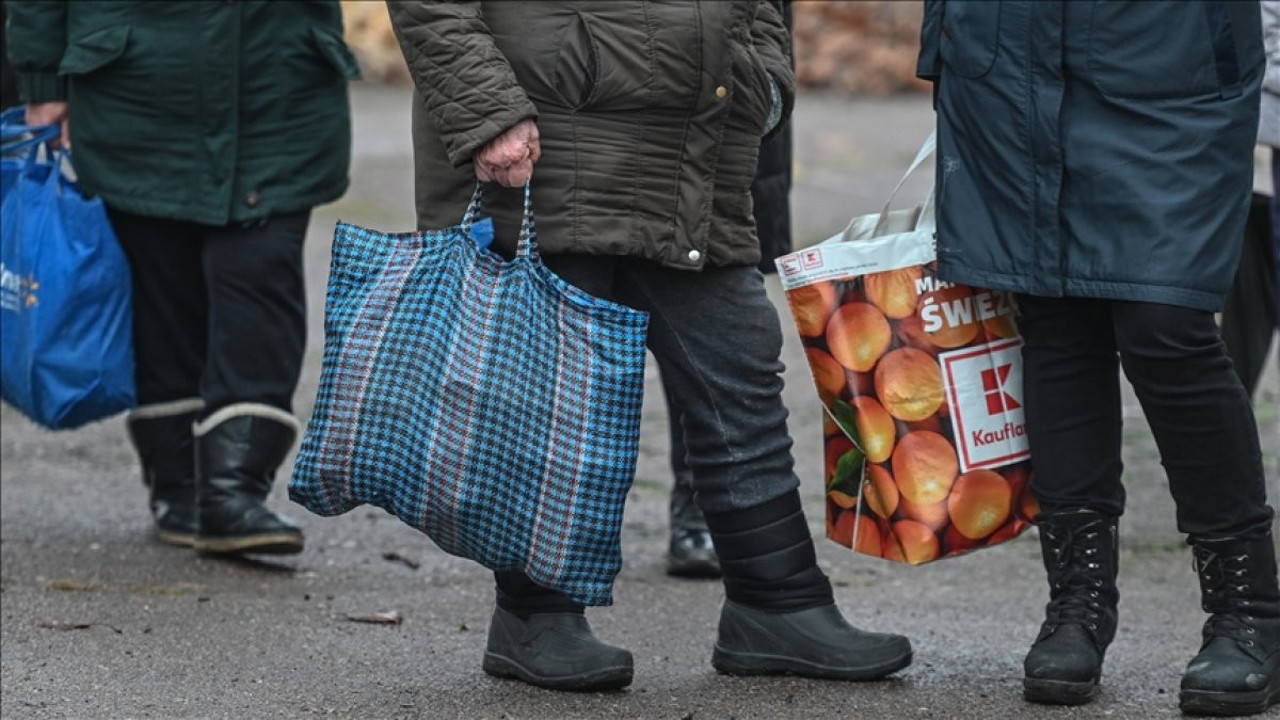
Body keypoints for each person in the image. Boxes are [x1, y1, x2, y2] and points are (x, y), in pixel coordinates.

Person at [388, 0, 912, 692]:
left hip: (691, 151)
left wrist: (761, 80)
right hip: (546, 144)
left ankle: (778, 604)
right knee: (550, 391)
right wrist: (487, 111)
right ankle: (535, 616)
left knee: (739, 370)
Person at [919, 1, 1279, 715]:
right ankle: (1077, 604)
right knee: (1055, 318)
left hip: (1168, 59)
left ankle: (1251, 611)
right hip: (1009, 56)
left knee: (1165, 324)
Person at [5, 1, 356, 555]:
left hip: (279, 82)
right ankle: (180, 485)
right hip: (134, 86)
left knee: (260, 271)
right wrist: (43, 80)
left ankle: (233, 487)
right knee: (162, 291)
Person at [664, 0, 796, 581]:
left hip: (727, 69)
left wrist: (766, 78)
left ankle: (700, 503)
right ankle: (569, 513)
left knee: (705, 302)